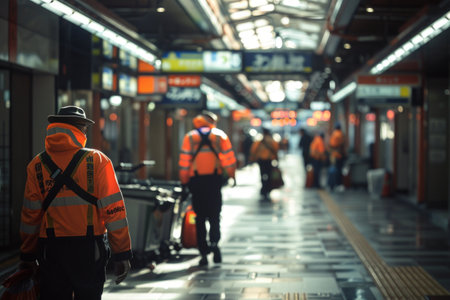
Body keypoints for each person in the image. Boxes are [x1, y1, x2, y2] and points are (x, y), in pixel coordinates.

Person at [19, 106, 132, 300]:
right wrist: (122, 253)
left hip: (51, 249)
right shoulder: (97, 160)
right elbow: (114, 212)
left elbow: (30, 216)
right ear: (78, 129)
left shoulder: (36, 165)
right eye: (84, 127)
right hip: (89, 248)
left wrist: (28, 255)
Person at [178, 111, 237, 266]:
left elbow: (184, 162)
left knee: (199, 217)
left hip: (196, 182)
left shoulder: (190, 137)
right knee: (215, 215)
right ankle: (215, 244)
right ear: (211, 121)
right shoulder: (220, 136)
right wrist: (232, 175)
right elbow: (229, 159)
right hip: (214, 181)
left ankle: (203, 252)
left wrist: (184, 181)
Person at [249, 127, 279, 200]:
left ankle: (263, 189)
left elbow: (253, 150)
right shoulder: (272, 140)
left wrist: (252, 158)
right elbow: (276, 149)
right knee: (268, 175)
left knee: (262, 174)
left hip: (261, 161)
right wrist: (276, 158)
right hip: (269, 160)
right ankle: (267, 189)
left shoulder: (259, 141)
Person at [328, 123, 346, 189]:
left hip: (333, 155)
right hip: (338, 155)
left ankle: (332, 184)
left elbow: (331, 145)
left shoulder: (333, 134)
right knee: (338, 170)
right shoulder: (340, 134)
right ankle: (338, 184)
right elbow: (341, 145)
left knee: (334, 169)